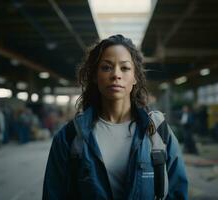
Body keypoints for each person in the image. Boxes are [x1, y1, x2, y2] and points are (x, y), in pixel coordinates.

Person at [42, 35, 188, 200]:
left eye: (125, 68)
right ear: (95, 77)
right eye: (106, 67)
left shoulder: (158, 133)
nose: (116, 75)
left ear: (135, 78)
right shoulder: (70, 137)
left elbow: (177, 191)